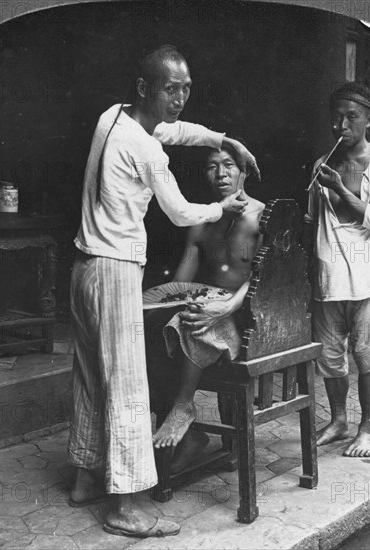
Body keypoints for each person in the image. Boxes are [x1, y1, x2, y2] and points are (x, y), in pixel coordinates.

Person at [68, 45, 260, 539]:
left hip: (84, 267)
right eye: (170, 89)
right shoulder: (146, 149)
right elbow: (178, 212)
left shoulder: (112, 117)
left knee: (92, 375)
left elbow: (174, 130)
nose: (179, 99)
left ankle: (87, 477)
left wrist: (221, 138)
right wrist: (223, 208)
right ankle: (126, 505)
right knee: (127, 386)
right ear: (143, 88)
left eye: (186, 89)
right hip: (113, 269)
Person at [150, 142, 265, 471]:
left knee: (202, 321)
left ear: (243, 170)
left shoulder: (262, 216)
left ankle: (184, 405)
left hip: (247, 315)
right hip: (208, 310)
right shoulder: (201, 221)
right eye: (212, 166)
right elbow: (183, 282)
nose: (221, 172)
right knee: (157, 325)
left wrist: (227, 307)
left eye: (228, 164)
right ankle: (189, 435)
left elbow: (264, 280)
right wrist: (179, 304)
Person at [303, 82, 370, 458]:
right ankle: (340, 420)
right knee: (329, 358)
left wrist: (341, 190)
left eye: (351, 117)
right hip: (329, 277)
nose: (341, 125)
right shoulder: (321, 166)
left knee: (367, 356)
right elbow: (313, 220)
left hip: (367, 278)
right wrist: (310, 269)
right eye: (336, 118)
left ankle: (368, 429)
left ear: (369, 120)